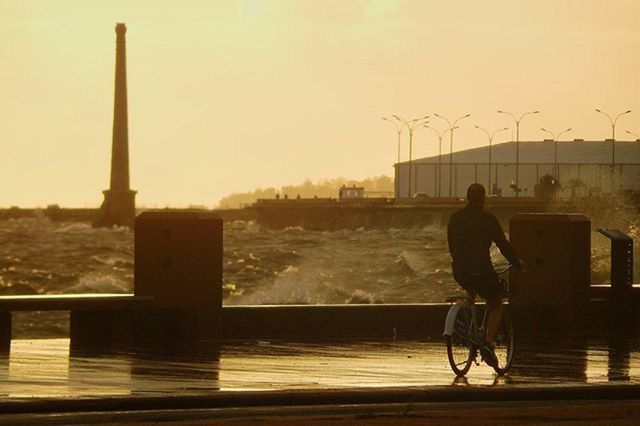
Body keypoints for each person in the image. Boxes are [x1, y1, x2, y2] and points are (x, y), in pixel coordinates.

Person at [447, 183, 521, 367]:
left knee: (470, 289)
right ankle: (487, 343)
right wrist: (516, 261)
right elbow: (502, 244)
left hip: (460, 270)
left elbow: (451, 245)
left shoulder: (455, 218)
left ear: (467, 198)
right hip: (482, 269)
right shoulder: (488, 219)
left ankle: (467, 326)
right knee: (496, 303)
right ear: (483, 199)